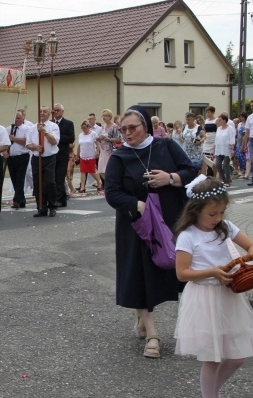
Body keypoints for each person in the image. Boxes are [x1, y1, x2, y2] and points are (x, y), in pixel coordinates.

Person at [105, 105, 197, 358]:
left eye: (132, 128)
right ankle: (153, 334)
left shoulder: (166, 147)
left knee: (171, 272)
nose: (127, 133)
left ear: (146, 126)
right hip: (137, 225)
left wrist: (169, 178)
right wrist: (137, 204)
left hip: (170, 220)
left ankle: (146, 319)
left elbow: (191, 171)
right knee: (141, 276)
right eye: (123, 129)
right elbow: (112, 193)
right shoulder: (119, 157)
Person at [174, 176, 253, 398]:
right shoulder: (187, 236)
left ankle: (212, 395)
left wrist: (249, 259)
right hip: (204, 297)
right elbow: (182, 273)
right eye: (213, 213)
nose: (218, 218)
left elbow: (252, 244)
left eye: (222, 212)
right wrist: (212, 272)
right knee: (212, 357)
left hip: (228, 295)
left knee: (237, 356)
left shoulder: (226, 226)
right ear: (196, 210)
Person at [26, 106, 61, 218]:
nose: (42, 113)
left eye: (44, 111)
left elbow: (54, 141)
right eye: (40, 111)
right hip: (37, 158)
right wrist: (35, 147)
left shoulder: (53, 126)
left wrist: (44, 132)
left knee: (49, 182)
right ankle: (41, 207)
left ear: (49, 114)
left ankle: (52, 206)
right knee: (38, 184)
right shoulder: (32, 128)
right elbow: (28, 144)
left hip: (49, 157)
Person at [6, 111, 31, 209]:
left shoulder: (26, 129)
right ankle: (22, 200)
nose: (16, 120)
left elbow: (26, 142)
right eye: (15, 118)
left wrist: (14, 138)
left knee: (20, 178)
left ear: (23, 119)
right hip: (11, 157)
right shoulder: (8, 129)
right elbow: (5, 142)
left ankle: (16, 200)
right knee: (14, 179)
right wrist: (4, 152)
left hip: (22, 156)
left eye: (19, 118)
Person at [52, 103, 75, 207]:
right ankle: (60, 198)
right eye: (54, 110)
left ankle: (60, 199)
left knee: (59, 177)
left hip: (62, 154)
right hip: (51, 154)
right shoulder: (50, 123)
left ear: (62, 112)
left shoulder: (68, 123)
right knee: (52, 178)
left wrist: (57, 137)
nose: (56, 112)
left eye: (58, 110)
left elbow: (71, 138)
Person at [75, 120, 103, 194]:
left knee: (92, 171)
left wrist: (98, 152)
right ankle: (82, 187)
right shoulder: (81, 135)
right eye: (82, 128)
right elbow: (79, 145)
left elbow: (97, 142)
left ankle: (99, 182)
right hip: (83, 155)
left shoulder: (93, 134)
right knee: (83, 171)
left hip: (90, 155)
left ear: (88, 127)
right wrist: (77, 155)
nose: (83, 129)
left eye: (84, 128)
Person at [97, 109, 120, 190]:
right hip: (103, 150)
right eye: (103, 116)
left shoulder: (114, 127)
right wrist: (98, 138)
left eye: (105, 116)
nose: (104, 117)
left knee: (109, 170)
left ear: (110, 117)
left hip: (110, 150)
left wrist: (109, 139)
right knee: (101, 170)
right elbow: (99, 136)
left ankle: (112, 186)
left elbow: (118, 139)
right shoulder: (102, 126)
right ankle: (109, 184)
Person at [213, 113, 235, 186]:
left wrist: (232, 149)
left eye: (220, 120)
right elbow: (216, 139)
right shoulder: (218, 129)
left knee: (226, 165)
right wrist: (215, 149)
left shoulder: (230, 128)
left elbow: (232, 138)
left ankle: (227, 181)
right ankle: (224, 179)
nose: (219, 121)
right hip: (219, 149)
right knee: (218, 164)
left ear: (224, 120)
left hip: (226, 148)